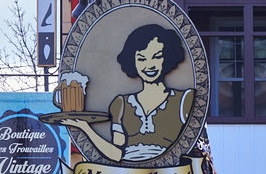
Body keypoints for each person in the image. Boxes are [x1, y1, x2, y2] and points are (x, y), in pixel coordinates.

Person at [64, 23, 194, 162]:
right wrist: (85, 128)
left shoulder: (184, 100)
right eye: (141, 59)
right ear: (133, 61)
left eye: (156, 57)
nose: (149, 65)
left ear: (167, 57)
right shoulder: (121, 104)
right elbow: (116, 154)